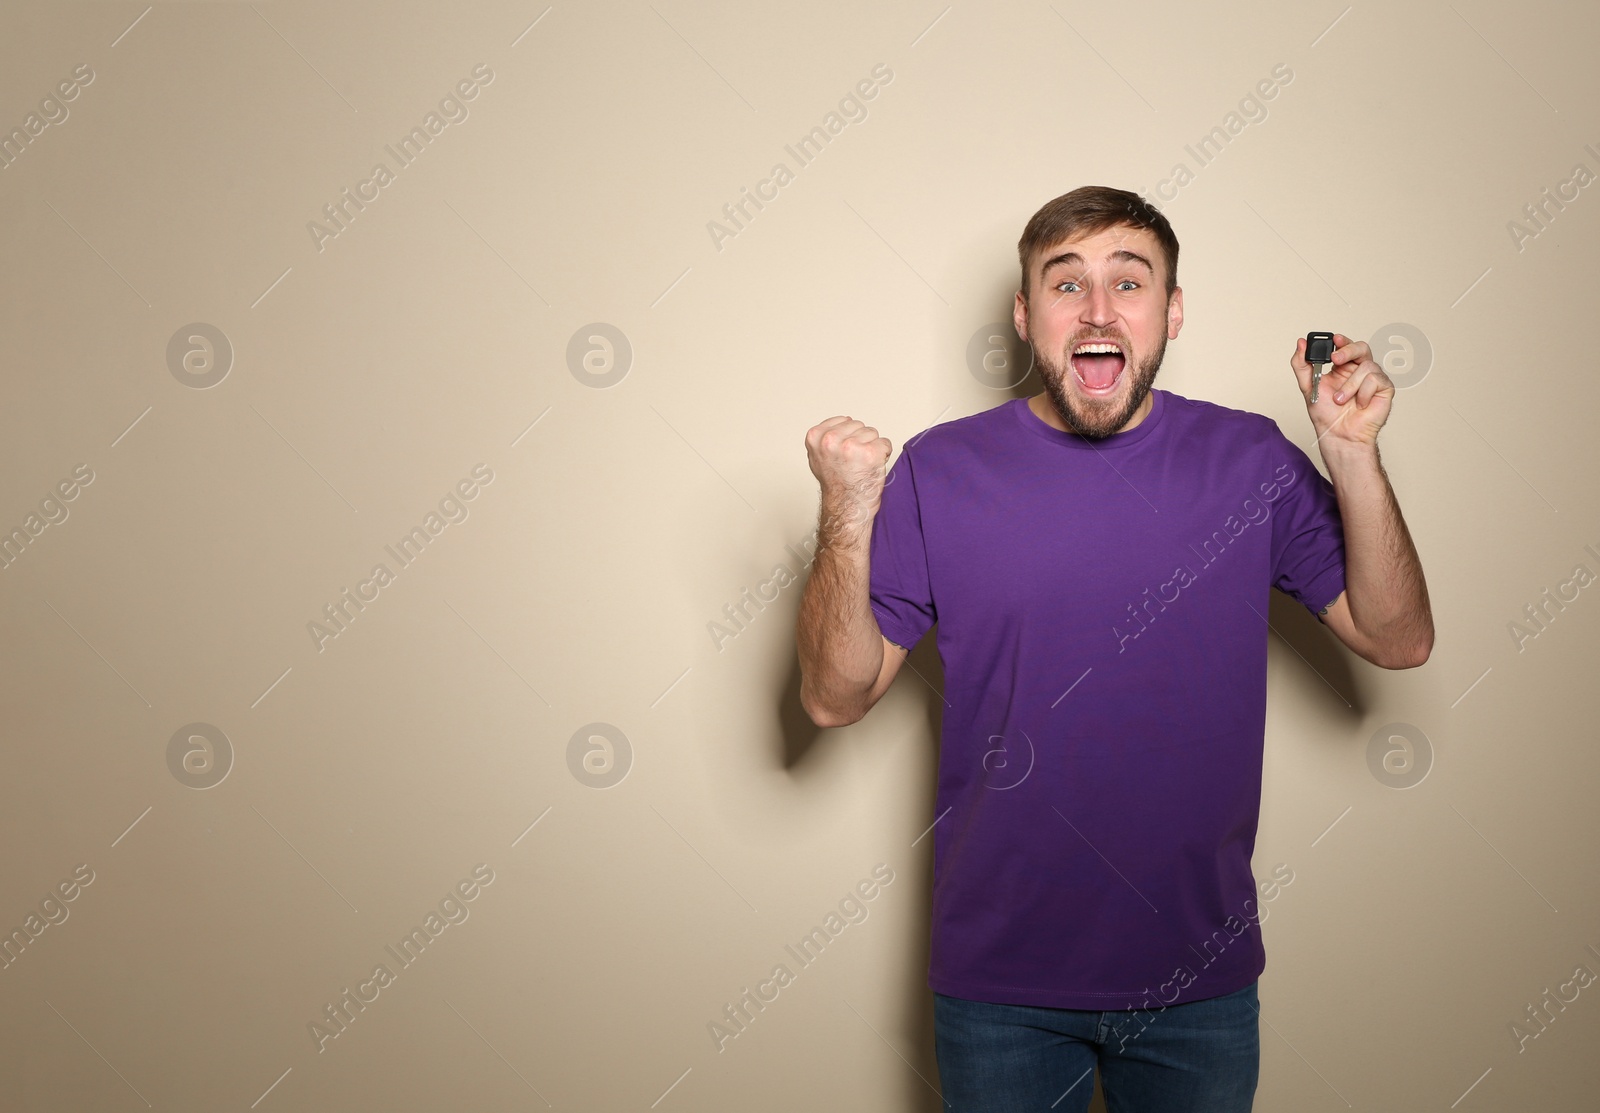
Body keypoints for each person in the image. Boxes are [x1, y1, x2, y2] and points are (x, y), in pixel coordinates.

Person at [795, 185, 1433, 1112]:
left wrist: (1352, 453)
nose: (1098, 310)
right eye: (1066, 284)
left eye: (1128, 282)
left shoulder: (1250, 460)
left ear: (1171, 312)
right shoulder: (941, 468)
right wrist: (846, 514)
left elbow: (1398, 636)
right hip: (997, 987)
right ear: (1025, 316)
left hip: (1198, 979)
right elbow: (833, 696)